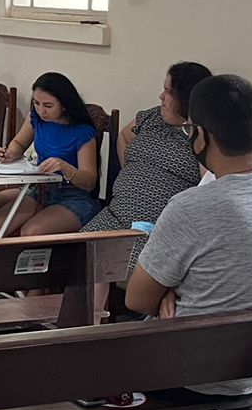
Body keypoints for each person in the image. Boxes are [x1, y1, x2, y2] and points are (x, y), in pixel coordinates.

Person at [125, 75, 252, 397]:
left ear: (200, 136)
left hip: (191, 372)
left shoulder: (190, 207)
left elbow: (137, 299)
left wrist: (170, 291)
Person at [82, 61, 213, 268]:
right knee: (80, 258)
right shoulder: (152, 117)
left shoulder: (201, 135)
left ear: (185, 99)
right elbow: (124, 137)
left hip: (155, 229)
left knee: (122, 266)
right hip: (116, 214)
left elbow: (209, 185)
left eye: (168, 92)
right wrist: (132, 173)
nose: (161, 96)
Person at [0, 73, 101, 238]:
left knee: (31, 231)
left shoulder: (83, 133)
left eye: (48, 105)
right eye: (36, 103)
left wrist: (65, 167)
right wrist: (10, 153)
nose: (41, 111)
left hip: (73, 196)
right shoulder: (36, 119)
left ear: (64, 105)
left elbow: (89, 181)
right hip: (41, 190)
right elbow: (19, 143)